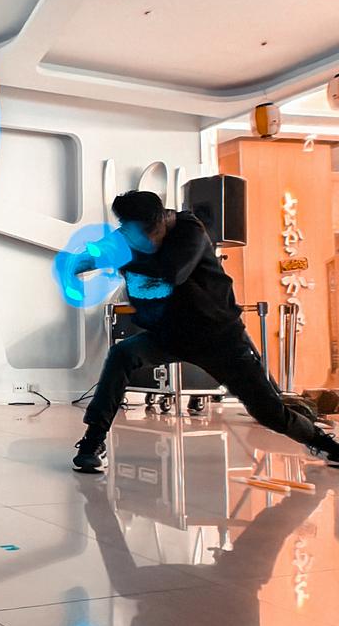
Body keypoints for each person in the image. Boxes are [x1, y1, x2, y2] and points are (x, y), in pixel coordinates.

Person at [70, 190, 339, 473]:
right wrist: (80, 262)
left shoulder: (190, 230)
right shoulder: (127, 236)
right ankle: (93, 442)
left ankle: (325, 444)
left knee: (268, 411)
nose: (148, 243)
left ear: (162, 218)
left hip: (219, 338)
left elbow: (173, 272)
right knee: (122, 354)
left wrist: (115, 260)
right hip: (169, 335)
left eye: (152, 235)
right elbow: (98, 252)